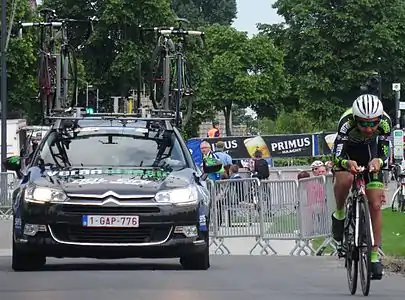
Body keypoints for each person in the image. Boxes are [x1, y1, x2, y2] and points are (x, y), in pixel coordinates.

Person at [332, 94, 391, 280]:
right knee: (346, 179)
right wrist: (345, 163)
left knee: (375, 204)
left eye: (373, 123)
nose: (369, 128)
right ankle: (340, 212)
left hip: (371, 155)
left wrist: (379, 160)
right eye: (363, 124)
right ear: (355, 119)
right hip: (348, 154)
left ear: (379, 119)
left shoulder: (385, 123)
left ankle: (374, 255)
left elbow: (385, 150)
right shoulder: (346, 122)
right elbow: (337, 154)